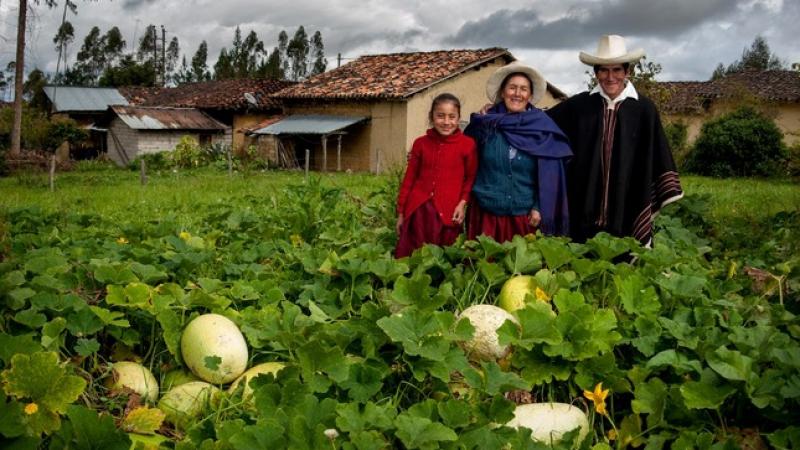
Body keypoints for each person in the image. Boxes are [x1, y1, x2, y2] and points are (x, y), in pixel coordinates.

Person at [547, 35, 683, 246]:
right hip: (582, 202)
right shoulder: (579, 106)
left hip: (628, 201)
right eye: (603, 70)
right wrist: (503, 113)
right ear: (596, 73)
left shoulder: (644, 110)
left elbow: (657, 154)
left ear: (627, 71)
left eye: (617, 69)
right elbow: (541, 122)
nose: (610, 77)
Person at [465, 62, 572, 243]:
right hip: (486, 217)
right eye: (512, 88)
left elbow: (551, 174)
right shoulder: (485, 125)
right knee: (485, 268)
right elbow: (466, 165)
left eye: (523, 89)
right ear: (502, 92)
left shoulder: (542, 128)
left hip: (525, 219)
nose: (517, 94)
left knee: (524, 269)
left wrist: (539, 206)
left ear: (529, 95)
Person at [395, 93, 478, 258]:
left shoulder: (467, 145)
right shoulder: (421, 143)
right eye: (440, 116)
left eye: (452, 117)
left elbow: (470, 178)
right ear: (431, 117)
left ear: (459, 118)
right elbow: (409, 179)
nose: (446, 122)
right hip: (418, 210)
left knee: (444, 258)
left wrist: (462, 203)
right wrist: (401, 213)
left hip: (449, 212)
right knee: (413, 256)